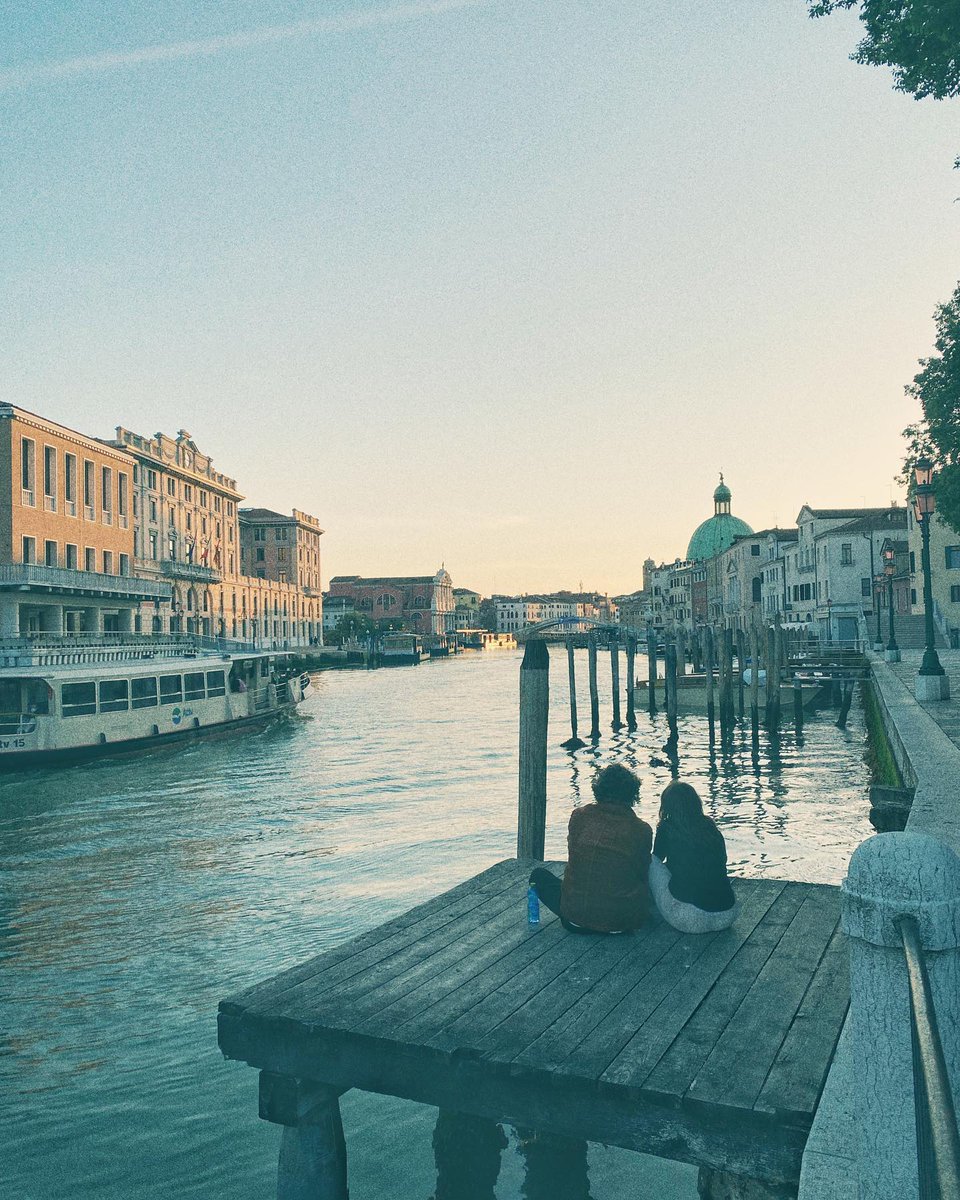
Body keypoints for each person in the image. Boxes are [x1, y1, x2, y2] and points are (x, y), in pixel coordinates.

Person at [529, 763, 652, 934]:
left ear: (598, 790)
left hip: (574, 920)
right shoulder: (641, 829)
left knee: (538, 876)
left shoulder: (579, 817)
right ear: (632, 794)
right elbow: (641, 873)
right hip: (621, 923)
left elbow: (575, 857)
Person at [649, 781, 737, 933]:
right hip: (728, 913)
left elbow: (657, 859)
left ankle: (643, 905)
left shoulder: (667, 828)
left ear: (667, 806)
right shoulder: (709, 826)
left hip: (690, 918)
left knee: (651, 861)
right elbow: (722, 860)